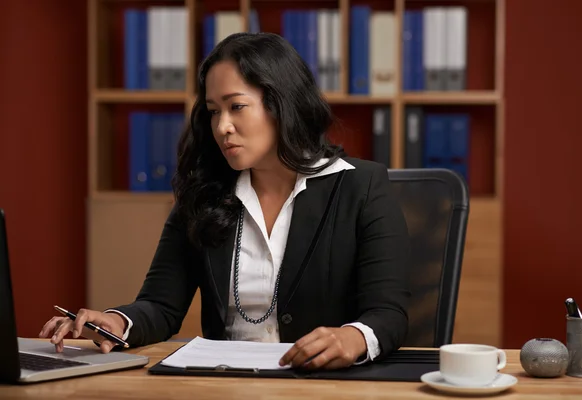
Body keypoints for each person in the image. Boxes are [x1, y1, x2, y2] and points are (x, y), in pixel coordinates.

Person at [39, 32, 411, 370]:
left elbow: (388, 313)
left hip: (320, 385)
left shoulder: (360, 186)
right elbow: (161, 306)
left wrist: (355, 336)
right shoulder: (203, 192)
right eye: (214, 111)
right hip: (224, 384)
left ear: (281, 103)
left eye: (236, 107)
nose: (222, 127)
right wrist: (118, 322)